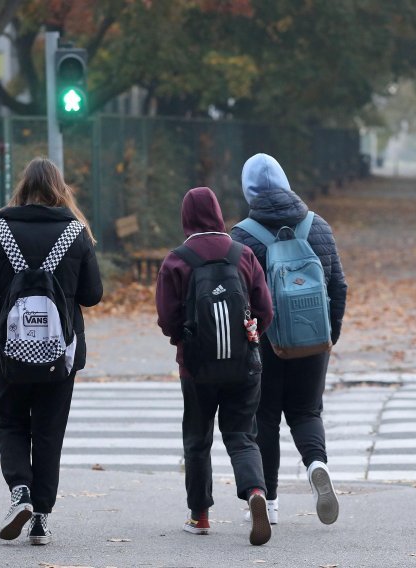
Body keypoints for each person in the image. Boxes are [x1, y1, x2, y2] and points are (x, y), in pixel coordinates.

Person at [0, 157, 102, 545]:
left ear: (23, 188)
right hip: (59, 356)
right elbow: (93, 295)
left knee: (11, 422)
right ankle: (41, 520)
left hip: (10, 356)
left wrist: (5, 329)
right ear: (59, 188)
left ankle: (20, 491)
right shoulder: (75, 232)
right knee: (49, 432)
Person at [230, 153, 348, 526]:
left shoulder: (242, 235)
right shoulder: (319, 227)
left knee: (264, 419)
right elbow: (339, 285)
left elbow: (238, 297)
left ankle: (272, 503)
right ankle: (316, 464)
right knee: (307, 411)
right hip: (313, 339)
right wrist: (330, 334)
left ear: (248, 189)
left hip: (265, 342)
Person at [156, 186, 274, 546]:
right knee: (241, 435)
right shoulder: (243, 254)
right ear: (219, 214)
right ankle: (255, 491)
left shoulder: (177, 260)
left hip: (196, 368)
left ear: (186, 217)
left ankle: (200, 515)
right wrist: (253, 333)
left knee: (197, 439)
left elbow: (167, 319)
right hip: (243, 365)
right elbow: (265, 310)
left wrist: (184, 339)